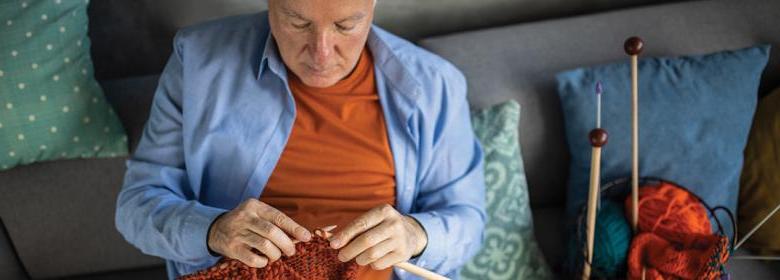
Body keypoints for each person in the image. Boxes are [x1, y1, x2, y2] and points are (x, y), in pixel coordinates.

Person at [114, 0, 486, 279]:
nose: (321, 54)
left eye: (345, 25)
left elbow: (468, 223)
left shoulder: (434, 85)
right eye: (297, 22)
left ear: (372, 7)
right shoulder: (198, 60)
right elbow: (136, 208)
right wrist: (213, 230)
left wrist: (416, 234)